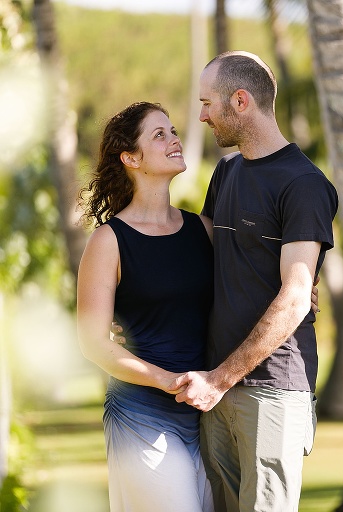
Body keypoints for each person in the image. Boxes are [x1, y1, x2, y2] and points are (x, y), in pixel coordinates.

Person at [170, 51, 338, 512]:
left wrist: (219, 380)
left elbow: (295, 296)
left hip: (271, 388)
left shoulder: (303, 184)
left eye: (207, 103)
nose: (202, 116)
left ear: (240, 101)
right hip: (216, 387)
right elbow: (196, 260)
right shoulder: (226, 172)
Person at [76, 102, 215, 512]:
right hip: (140, 415)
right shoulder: (108, 241)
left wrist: (302, 287)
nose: (174, 139)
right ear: (131, 159)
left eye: (173, 131)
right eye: (159, 134)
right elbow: (93, 343)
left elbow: (243, 287)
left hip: (207, 415)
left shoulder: (203, 230)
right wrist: (168, 381)